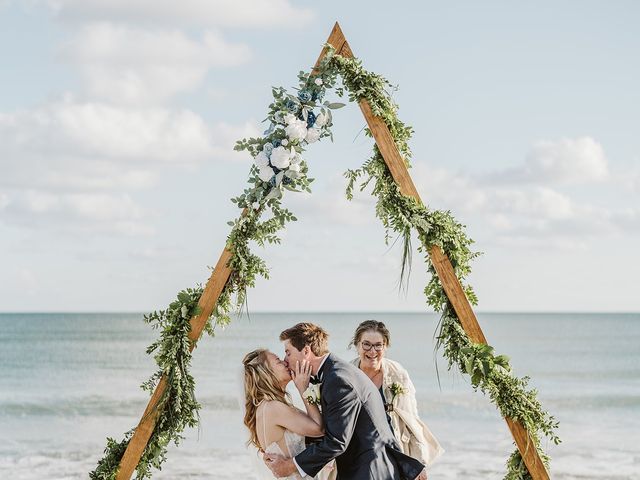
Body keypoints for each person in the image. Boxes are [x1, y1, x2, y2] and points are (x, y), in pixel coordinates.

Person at [264, 322, 427, 480]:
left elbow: (337, 442)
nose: (285, 359)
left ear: (306, 351)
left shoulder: (337, 380)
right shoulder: (336, 371)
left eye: (288, 352)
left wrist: (291, 465)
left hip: (368, 472)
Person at [350, 320, 444, 468]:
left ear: (385, 346)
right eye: (366, 344)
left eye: (378, 345)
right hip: (356, 453)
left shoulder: (398, 374)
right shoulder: (346, 376)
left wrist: (417, 463)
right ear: (357, 345)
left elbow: (411, 419)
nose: (372, 351)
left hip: (392, 451)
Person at [242, 348, 329, 479]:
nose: (285, 362)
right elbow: (319, 428)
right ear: (266, 372)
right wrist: (303, 388)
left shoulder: (266, 407)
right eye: (278, 361)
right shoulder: (273, 408)